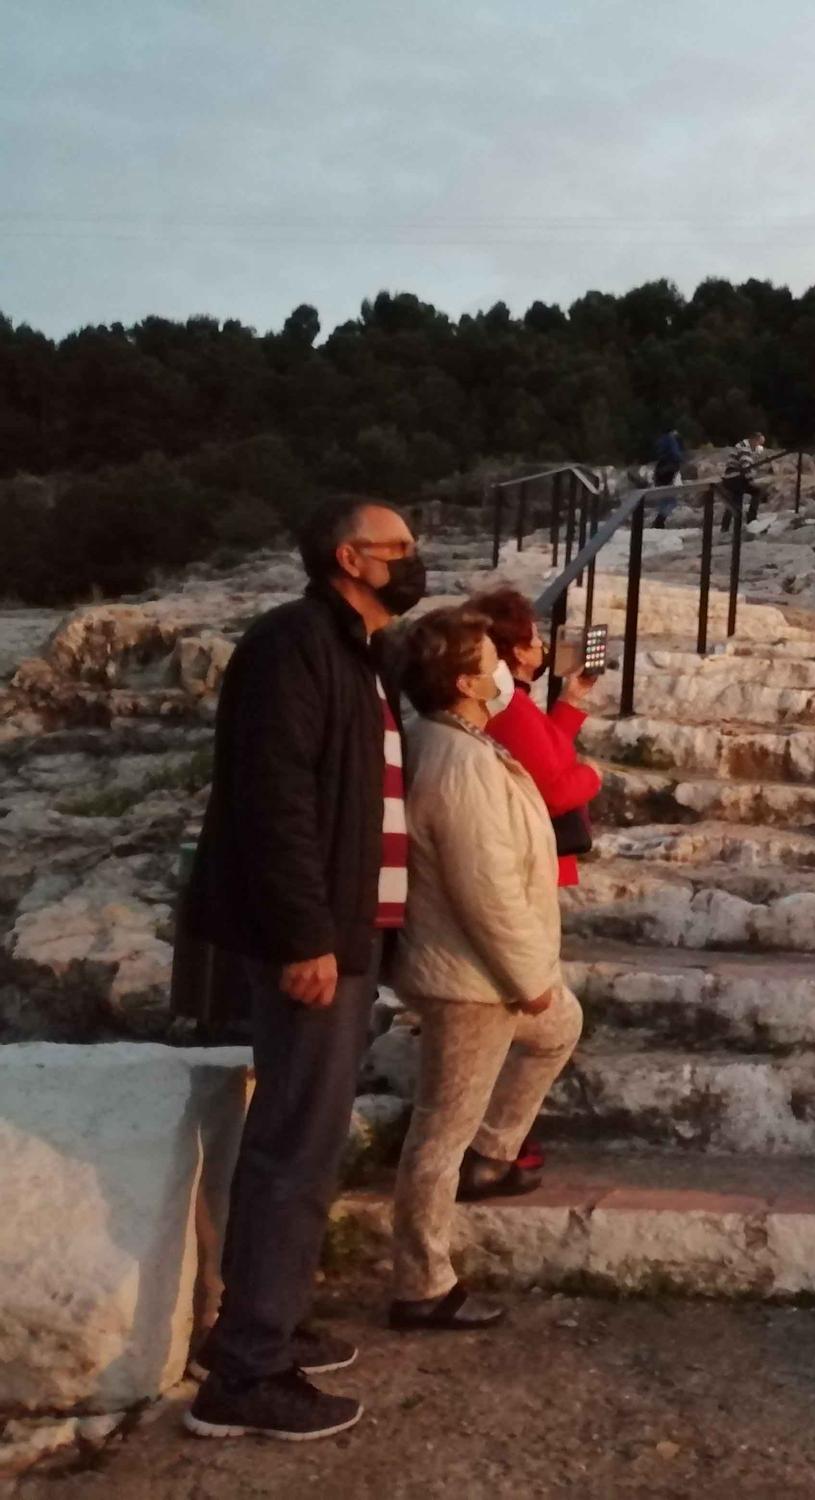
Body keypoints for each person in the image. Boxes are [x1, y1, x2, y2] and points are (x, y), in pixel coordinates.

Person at [181, 497, 426, 1443]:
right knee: (296, 1147)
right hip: (316, 942)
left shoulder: (359, 653)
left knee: (299, 1141)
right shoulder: (293, 644)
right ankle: (245, 1376)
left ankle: (255, 1327)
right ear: (348, 558)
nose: (414, 558)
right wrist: (303, 938)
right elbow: (273, 800)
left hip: (348, 936)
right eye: (399, 547)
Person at [386, 606, 583, 1332]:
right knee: (439, 1133)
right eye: (488, 659)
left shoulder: (447, 741)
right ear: (469, 680)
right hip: (473, 980)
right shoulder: (459, 761)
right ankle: (422, 1283)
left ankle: (495, 1153)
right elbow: (485, 887)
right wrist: (528, 978)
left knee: (562, 1029)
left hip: (479, 971)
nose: (503, 668)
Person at [468, 587, 603, 1174]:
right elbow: (551, 784)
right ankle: (493, 1142)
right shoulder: (510, 709)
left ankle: (493, 1138)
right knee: (537, 1011)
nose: (544, 645)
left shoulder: (514, 706)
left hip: (525, 859)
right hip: (523, 866)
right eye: (534, 636)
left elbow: (543, 754)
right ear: (518, 648)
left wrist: (572, 703)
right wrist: (593, 778)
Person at [722, 431, 767, 523]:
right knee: (756, 491)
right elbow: (746, 466)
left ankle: (725, 526)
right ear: (754, 440)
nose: (758, 447)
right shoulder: (745, 448)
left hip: (732, 478)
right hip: (735, 478)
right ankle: (751, 519)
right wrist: (751, 480)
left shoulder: (743, 446)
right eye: (759, 443)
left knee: (733, 501)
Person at [650, 429, 685, 527]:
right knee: (670, 500)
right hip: (667, 471)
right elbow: (676, 455)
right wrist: (680, 461)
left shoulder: (663, 440)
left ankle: (659, 522)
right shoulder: (670, 440)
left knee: (666, 499)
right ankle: (659, 522)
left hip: (662, 471)